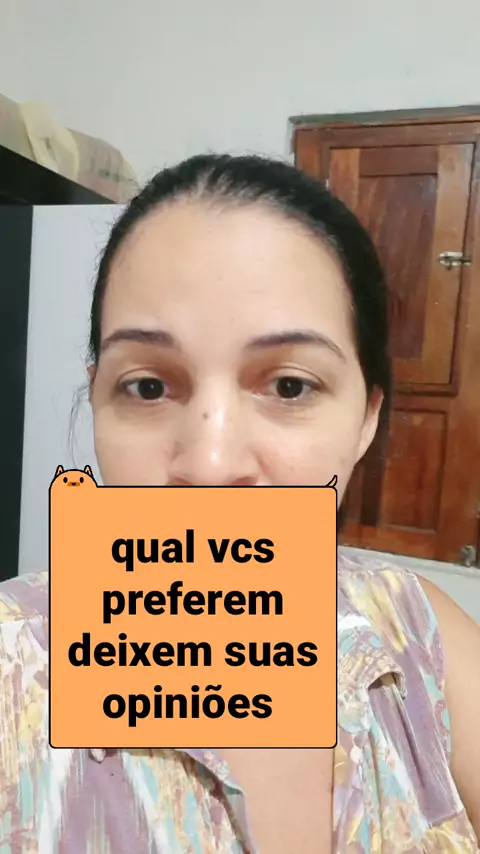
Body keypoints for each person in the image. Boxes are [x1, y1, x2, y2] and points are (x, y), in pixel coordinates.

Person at [1, 154, 479, 853]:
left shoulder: (415, 630)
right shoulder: (13, 665)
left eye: (289, 386)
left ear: (366, 419)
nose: (211, 465)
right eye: (148, 387)